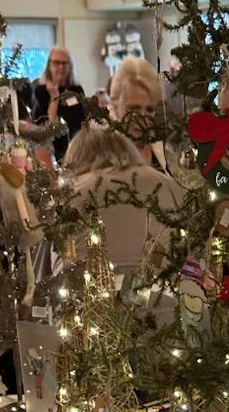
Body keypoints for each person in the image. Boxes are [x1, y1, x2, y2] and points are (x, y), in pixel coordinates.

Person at [64, 125, 182, 273]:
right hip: (163, 285)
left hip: (89, 287)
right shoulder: (163, 181)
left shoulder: (73, 191)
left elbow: (62, 259)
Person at [109, 58, 165, 169]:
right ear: (115, 107)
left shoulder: (163, 148)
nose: (143, 118)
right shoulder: (101, 153)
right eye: (134, 109)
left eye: (149, 109)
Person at [32, 48, 85, 163]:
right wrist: (54, 95)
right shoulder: (41, 90)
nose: (61, 67)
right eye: (56, 63)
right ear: (49, 66)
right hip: (52, 150)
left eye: (65, 63)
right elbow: (50, 126)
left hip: (76, 146)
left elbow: (82, 118)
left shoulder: (76, 89)